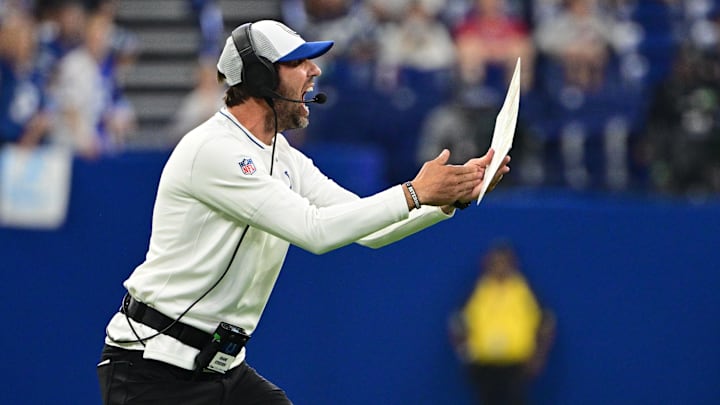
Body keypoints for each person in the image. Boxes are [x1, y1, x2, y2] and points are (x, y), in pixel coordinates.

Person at [96, 19, 510, 405]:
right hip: (152, 371)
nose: (314, 71)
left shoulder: (283, 155)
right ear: (259, 78)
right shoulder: (214, 150)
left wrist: (449, 198)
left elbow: (367, 228)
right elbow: (315, 232)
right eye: (297, 62)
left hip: (218, 370)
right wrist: (415, 191)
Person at [449, 242, 555, 405]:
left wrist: (539, 356)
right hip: (484, 366)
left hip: (516, 365)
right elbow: (457, 322)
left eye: (504, 262)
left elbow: (546, 322)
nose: (499, 267)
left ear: (512, 264)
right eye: (495, 262)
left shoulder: (523, 290)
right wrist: (465, 353)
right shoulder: (479, 290)